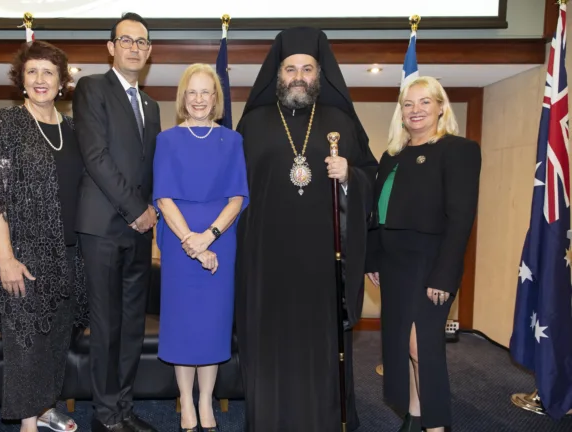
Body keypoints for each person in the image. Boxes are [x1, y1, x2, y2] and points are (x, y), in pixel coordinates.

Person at [234, 27, 378, 431]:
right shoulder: (253, 124)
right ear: (277, 75)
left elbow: (372, 175)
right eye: (290, 68)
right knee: (269, 352)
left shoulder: (341, 122)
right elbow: (229, 190)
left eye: (307, 68)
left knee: (321, 350)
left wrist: (350, 175)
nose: (298, 76)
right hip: (266, 263)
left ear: (320, 74)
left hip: (322, 264)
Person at [0, 40, 86, 432]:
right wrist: (5, 257)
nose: (40, 79)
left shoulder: (72, 129)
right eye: (32, 71)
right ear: (21, 80)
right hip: (21, 254)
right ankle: (27, 423)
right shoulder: (8, 123)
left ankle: (45, 407)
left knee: (57, 339)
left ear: (62, 82)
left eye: (49, 72)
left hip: (69, 254)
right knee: (26, 343)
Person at [365, 76, 481, 432]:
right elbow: (376, 211)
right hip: (394, 264)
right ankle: (415, 415)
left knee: (423, 346)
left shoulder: (458, 150)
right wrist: (373, 258)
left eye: (425, 102)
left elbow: (461, 218)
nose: (416, 110)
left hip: (431, 262)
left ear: (440, 107)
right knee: (404, 344)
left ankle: (436, 425)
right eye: (409, 104)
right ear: (401, 112)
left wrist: (445, 274)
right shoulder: (391, 156)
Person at [72, 12, 161, 432]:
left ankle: (124, 409)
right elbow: (96, 158)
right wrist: (137, 209)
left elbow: (151, 168)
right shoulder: (92, 88)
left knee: (130, 328)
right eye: (127, 40)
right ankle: (105, 416)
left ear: (148, 52)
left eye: (142, 42)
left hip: (141, 231)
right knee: (106, 327)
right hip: (104, 227)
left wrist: (154, 211)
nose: (134, 48)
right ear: (111, 47)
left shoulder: (152, 104)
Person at [153, 64, 249, 432]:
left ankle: (206, 401)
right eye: (191, 92)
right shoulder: (167, 140)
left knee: (211, 325)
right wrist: (191, 242)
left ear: (216, 98)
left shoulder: (232, 140)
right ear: (183, 98)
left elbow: (238, 197)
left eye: (205, 92)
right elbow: (163, 198)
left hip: (220, 241)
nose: (198, 100)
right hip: (179, 244)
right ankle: (186, 404)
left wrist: (208, 237)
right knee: (182, 325)